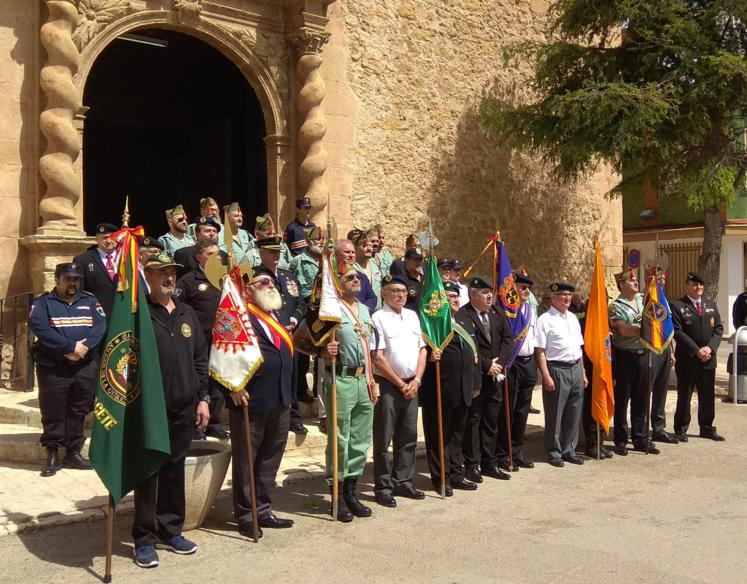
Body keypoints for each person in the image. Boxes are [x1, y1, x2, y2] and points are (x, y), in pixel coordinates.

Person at [132, 252, 210, 569]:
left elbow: (200, 359)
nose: (169, 277)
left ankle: (171, 530)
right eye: (161, 272)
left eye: (173, 273)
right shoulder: (138, 314)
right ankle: (143, 538)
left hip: (183, 406)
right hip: (150, 409)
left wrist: (203, 398)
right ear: (148, 276)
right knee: (148, 471)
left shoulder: (187, 313)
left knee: (174, 469)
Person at [294, 262, 377, 521]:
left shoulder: (364, 310)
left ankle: (352, 490)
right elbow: (298, 340)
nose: (356, 280)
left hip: (363, 380)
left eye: (357, 276)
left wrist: (372, 380)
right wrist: (320, 351)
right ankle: (337, 494)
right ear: (338, 284)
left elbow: (369, 348)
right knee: (339, 439)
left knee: (360, 439)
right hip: (340, 379)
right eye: (350, 277)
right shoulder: (329, 310)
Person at [223, 266, 295, 538]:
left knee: (270, 459)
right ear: (249, 289)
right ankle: (246, 515)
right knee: (247, 461)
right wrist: (233, 386)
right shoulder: (239, 316)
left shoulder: (277, 316)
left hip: (280, 398)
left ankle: (263, 509)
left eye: (272, 281)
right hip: (251, 400)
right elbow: (222, 352)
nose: (271, 285)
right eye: (263, 282)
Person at [29, 262, 107, 477]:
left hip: (84, 366)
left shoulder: (89, 300)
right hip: (54, 367)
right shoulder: (43, 302)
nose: (72, 283)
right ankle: (53, 453)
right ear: (57, 279)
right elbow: (40, 328)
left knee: (78, 410)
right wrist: (70, 347)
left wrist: (83, 349)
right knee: (53, 410)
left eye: (76, 279)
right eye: (67, 279)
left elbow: (100, 326)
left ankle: (73, 453)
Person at [371, 274, 427, 507]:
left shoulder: (412, 316)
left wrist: (417, 380)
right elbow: (377, 357)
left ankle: (403, 480)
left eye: (403, 291)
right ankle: (383, 487)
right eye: (394, 291)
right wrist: (400, 384)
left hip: (412, 384)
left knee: (408, 436)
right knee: (383, 438)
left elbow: (422, 349)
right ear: (384, 293)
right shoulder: (378, 318)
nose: (400, 295)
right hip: (388, 385)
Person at [421, 281, 481, 495]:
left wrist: (476, 384)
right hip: (441, 390)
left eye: (456, 296)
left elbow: (474, 354)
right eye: (449, 297)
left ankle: (456, 474)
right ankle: (442, 478)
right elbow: (423, 356)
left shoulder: (464, 320)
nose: (455, 300)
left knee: (457, 435)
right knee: (439, 436)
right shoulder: (433, 324)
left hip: (464, 388)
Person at [174, 238, 229, 440]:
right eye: (210, 254)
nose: (216, 258)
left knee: (218, 383)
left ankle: (214, 422)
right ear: (198, 257)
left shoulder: (226, 280)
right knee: (198, 381)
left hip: (221, 341)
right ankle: (196, 425)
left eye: (218, 254)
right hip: (198, 343)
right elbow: (177, 310)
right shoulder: (187, 281)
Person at [461, 276, 513, 482]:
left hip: (495, 376)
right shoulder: (464, 315)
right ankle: (472, 464)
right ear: (473, 295)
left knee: (491, 420)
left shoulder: (497, 312)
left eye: (490, 292)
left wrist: (499, 364)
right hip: (477, 376)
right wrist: (486, 365)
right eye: (484, 292)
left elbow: (508, 339)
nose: (490, 296)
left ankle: (489, 462)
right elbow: (468, 346)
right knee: (473, 421)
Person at [257, 233, 308, 435]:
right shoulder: (255, 277)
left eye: (278, 251)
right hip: (268, 336)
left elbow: (300, 302)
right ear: (261, 252)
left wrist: (294, 320)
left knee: (292, 374)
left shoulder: (288, 276)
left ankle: (293, 416)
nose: (276, 255)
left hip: (290, 334)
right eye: (271, 252)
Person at [535, 282, 587, 467]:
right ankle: (554, 451)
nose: (567, 298)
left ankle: (569, 449)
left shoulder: (572, 318)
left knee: (574, 412)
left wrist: (583, 372)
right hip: (557, 369)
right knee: (555, 413)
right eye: (563, 295)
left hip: (575, 367)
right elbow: (540, 351)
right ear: (554, 297)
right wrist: (546, 375)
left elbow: (578, 348)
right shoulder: (545, 320)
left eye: (569, 295)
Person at [608, 269, 659, 455]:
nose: (636, 282)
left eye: (636, 279)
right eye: (631, 280)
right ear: (622, 285)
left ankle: (640, 438)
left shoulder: (641, 300)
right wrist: (647, 330)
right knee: (622, 400)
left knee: (642, 399)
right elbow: (622, 330)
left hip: (643, 355)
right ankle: (621, 439)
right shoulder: (615, 306)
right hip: (625, 357)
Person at [671, 272, 725, 442]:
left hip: (708, 359)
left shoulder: (710, 305)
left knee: (707, 396)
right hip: (688, 359)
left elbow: (718, 329)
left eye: (701, 285)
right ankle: (680, 429)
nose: (698, 287)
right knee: (685, 396)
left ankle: (707, 428)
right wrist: (696, 351)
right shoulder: (677, 305)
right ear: (687, 286)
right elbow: (677, 331)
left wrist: (709, 348)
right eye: (695, 284)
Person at [496, 270, 538, 470]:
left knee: (522, 410)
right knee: (508, 410)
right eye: (523, 287)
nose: (527, 291)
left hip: (529, 363)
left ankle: (517, 451)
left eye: (529, 288)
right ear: (513, 289)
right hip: (513, 364)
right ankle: (503, 453)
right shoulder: (507, 310)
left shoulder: (530, 310)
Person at [73, 222, 120, 319]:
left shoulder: (125, 258)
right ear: (97, 239)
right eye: (104, 238)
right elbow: (79, 291)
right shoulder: (83, 260)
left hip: (122, 316)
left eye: (112, 237)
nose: (109, 241)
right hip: (96, 316)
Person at [336, 239, 376, 313]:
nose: (351, 255)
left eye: (353, 252)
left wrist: (362, 310)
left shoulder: (362, 276)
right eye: (347, 252)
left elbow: (372, 297)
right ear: (336, 254)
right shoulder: (329, 277)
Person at [349, 228, 383, 311]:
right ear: (355, 248)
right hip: (359, 313)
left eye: (370, 246)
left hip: (377, 313)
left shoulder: (375, 265)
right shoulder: (351, 268)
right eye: (364, 246)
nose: (369, 249)